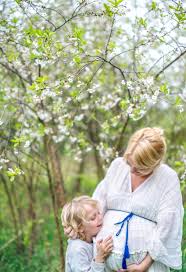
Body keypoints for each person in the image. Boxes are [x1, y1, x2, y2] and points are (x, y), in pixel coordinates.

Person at [64, 127, 184, 272]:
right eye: (129, 162)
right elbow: (96, 204)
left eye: (139, 168)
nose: (132, 170)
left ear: (155, 163)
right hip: (103, 266)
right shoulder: (117, 166)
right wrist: (77, 226)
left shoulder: (167, 178)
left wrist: (142, 266)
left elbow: (168, 226)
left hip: (148, 267)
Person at [61, 195, 113, 272]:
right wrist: (100, 257)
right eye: (93, 218)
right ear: (80, 228)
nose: (100, 217)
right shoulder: (77, 249)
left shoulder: (91, 238)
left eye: (98, 213)